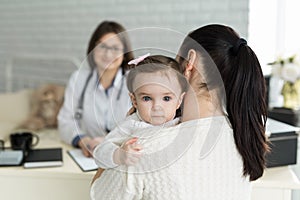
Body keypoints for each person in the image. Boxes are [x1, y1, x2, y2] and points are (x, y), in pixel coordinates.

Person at [90, 24, 268, 200]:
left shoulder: (143, 148)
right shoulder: (242, 138)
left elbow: (98, 195)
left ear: (189, 63)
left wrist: (121, 141)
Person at [93, 55, 188, 169]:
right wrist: (119, 155)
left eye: (166, 98)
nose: (157, 107)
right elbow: (99, 153)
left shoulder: (183, 123)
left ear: (179, 100)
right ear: (134, 101)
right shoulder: (132, 125)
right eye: (147, 98)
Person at [58, 21, 134, 157]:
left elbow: (143, 126)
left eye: (115, 48)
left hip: (123, 155)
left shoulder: (134, 81)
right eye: (102, 46)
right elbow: (65, 121)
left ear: (124, 53)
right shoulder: (78, 79)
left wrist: (108, 142)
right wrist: (83, 140)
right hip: (88, 154)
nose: (108, 53)